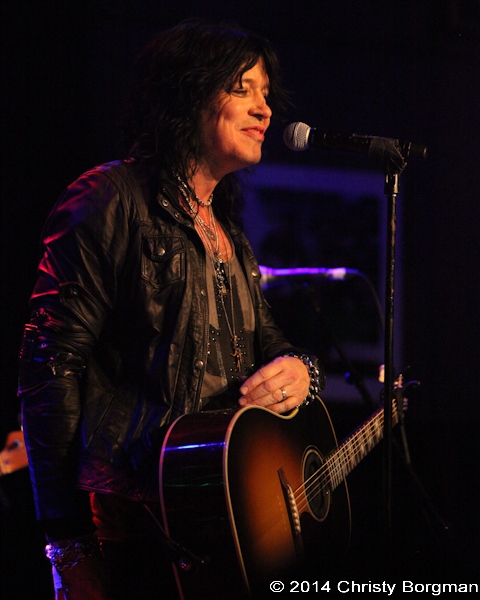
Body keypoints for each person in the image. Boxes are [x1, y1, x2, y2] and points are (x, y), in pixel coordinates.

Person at [18, 19, 324, 599]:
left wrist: (301, 371)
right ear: (189, 93)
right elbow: (49, 366)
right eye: (242, 88)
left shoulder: (230, 233)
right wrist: (68, 543)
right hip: (133, 523)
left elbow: (270, 343)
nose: (264, 109)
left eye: (266, 93)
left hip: (218, 521)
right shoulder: (111, 197)